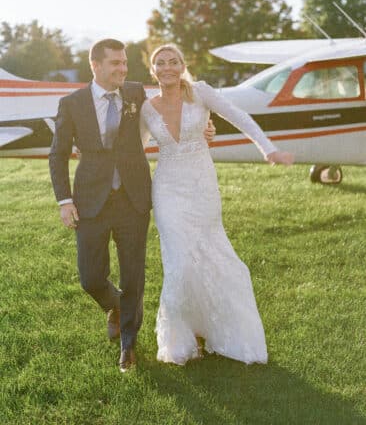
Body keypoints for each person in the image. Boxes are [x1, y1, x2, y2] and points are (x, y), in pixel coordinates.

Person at [49, 38, 215, 373]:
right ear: (95, 65)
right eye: (115, 64)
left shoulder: (136, 93)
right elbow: (57, 154)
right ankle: (114, 306)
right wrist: (64, 200)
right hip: (90, 200)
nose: (123, 69)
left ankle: (128, 345)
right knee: (90, 278)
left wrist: (204, 126)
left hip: (134, 198)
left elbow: (178, 94)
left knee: (133, 274)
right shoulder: (72, 103)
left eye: (125, 63)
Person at [140, 44, 294, 366]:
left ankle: (219, 330)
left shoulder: (201, 93)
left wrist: (267, 150)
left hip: (202, 186)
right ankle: (182, 338)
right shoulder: (147, 108)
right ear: (153, 70)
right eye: (160, 63)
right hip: (167, 189)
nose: (167, 67)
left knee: (212, 255)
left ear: (183, 65)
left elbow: (240, 117)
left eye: (173, 61)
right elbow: (136, 149)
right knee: (179, 264)